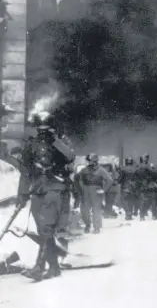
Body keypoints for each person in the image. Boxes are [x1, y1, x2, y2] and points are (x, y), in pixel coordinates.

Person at [18, 111, 75, 281]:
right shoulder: (31, 145)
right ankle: (54, 267)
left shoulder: (61, 142)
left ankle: (39, 267)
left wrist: (55, 140)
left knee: (46, 228)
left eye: (46, 128)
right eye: (40, 128)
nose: (43, 131)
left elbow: (70, 157)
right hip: (37, 190)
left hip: (55, 188)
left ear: (52, 127)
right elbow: (25, 171)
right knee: (43, 230)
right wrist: (22, 193)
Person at [78, 153, 113, 234]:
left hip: (96, 192)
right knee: (84, 210)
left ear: (95, 161)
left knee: (96, 210)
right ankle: (87, 225)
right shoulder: (84, 170)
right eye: (88, 161)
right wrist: (82, 188)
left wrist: (104, 190)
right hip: (86, 191)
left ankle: (96, 228)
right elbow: (80, 179)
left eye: (90, 161)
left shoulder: (101, 170)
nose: (89, 163)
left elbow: (109, 180)